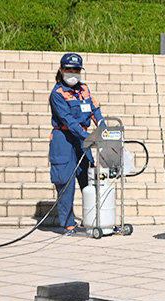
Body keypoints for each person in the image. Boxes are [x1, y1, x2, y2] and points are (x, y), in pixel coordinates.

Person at [49, 53, 103, 235]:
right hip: (63, 139)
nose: (73, 73)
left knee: (89, 177)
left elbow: (95, 109)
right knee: (66, 181)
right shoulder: (57, 94)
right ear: (61, 70)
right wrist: (88, 136)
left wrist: (102, 127)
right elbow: (68, 120)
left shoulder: (84, 89)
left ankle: (96, 219)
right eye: (69, 70)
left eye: (77, 70)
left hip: (83, 140)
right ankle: (68, 224)